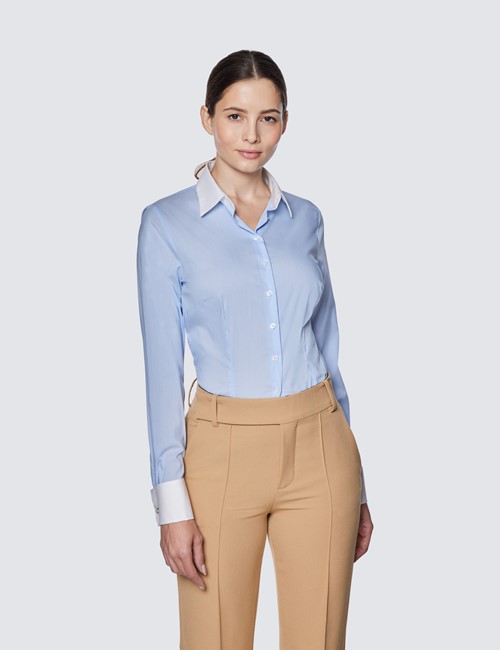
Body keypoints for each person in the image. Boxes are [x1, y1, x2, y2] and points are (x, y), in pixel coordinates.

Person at [136, 49, 374, 650]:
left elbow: (328, 349)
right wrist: (171, 504)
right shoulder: (165, 224)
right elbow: (162, 370)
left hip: (321, 446)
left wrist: (359, 487)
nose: (251, 134)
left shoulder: (306, 219)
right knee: (213, 638)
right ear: (207, 117)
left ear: (284, 123)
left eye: (267, 118)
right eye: (235, 116)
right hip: (221, 453)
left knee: (320, 639)